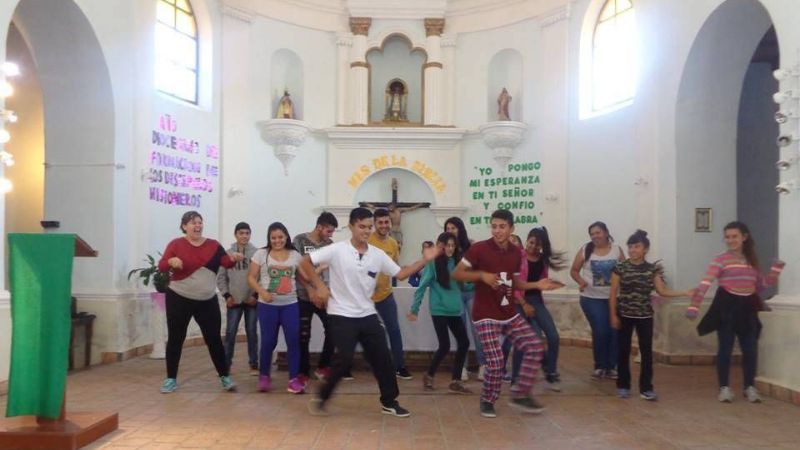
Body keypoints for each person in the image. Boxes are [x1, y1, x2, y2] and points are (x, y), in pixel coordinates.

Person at [301, 207, 439, 417]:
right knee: (345, 359)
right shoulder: (337, 249)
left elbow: (401, 274)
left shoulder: (378, 255)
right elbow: (305, 262)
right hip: (341, 314)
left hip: (367, 314)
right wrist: (318, 286)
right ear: (351, 227)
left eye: (369, 227)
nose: (366, 231)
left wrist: (424, 260)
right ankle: (323, 395)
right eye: (361, 227)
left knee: (382, 357)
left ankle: (389, 401)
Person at [453, 209, 561, 418]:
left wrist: (536, 284)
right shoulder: (479, 249)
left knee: (534, 347)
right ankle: (488, 400)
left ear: (511, 228)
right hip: (484, 314)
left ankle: (520, 394)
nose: (497, 230)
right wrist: (481, 275)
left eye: (502, 226)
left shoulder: (515, 253)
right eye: (494, 226)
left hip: (507, 311)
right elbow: (457, 273)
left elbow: (514, 282)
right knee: (495, 362)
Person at [686, 221, 784, 403]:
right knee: (725, 348)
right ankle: (724, 388)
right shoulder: (720, 259)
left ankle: (749, 387)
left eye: (734, 236)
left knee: (750, 349)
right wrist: (694, 306)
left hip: (747, 308)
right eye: (727, 237)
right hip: (727, 307)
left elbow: (760, 287)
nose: (730, 240)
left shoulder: (752, 261)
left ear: (744, 237)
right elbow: (705, 283)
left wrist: (775, 272)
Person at [157, 211, 243, 393]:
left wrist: (234, 257)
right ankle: (171, 379)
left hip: (206, 300)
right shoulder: (176, 244)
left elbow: (226, 263)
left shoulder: (213, 245)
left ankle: (224, 377)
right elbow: (162, 265)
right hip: (178, 297)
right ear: (184, 226)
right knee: (175, 338)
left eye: (200, 222)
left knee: (214, 340)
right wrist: (171, 261)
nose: (198, 225)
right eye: (193, 223)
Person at [609, 230, 692, 401]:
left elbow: (662, 291)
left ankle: (646, 388)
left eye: (636, 247)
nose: (632, 250)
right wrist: (613, 315)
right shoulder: (620, 268)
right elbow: (612, 293)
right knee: (623, 351)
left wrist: (684, 292)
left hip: (645, 316)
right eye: (630, 247)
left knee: (646, 352)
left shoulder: (652, 269)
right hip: (624, 314)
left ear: (645, 249)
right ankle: (623, 386)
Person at [248, 222, 314, 394]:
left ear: (286, 237)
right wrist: (262, 291)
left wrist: (313, 284)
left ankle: (293, 379)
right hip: (267, 306)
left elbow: (302, 277)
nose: (277, 241)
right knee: (269, 342)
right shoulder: (261, 254)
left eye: (280, 237)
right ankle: (264, 376)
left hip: (290, 305)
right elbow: (251, 278)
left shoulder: (294, 255)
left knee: (294, 341)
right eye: (273, 238)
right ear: (269, 238)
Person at [502, 227, 566, 391]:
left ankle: (551, 372)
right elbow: (513, 285)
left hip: (536, 301)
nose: (532, 247)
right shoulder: (517, 256)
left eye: (537, 245)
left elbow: (541, 282)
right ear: (527, 240)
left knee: (553, 336)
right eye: (531, 242)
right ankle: (516, 378)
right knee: (524, 340)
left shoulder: (542, 260)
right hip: (519, 302)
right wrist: (524, 304)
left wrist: (552, 285)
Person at [408, 232, 472, 394]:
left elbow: (466, 286)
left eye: (453, 245)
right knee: (445, 345)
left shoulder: (459, 263)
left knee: (464, 342)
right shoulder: (433, 264)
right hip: (439, 310)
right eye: (447, 246)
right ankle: (429, 375)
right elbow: (421, 287)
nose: (450, 249)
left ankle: (456, 381)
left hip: (454, 310)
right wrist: (414, 309)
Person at [570, 221, 625, 380]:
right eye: (592, 234)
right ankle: (600, 365)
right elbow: (574, 270)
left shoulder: (617, 250)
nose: (595, 236)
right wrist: (581, 282)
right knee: (601, 330)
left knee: (615, 331)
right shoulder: (585, 250)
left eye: (598, 232)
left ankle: (612, 366)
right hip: (591, 298)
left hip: (615, 298)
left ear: (606, 232)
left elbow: (625, 271)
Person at [294, 212, 338, 384]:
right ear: (319, 227)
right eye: (328, 231)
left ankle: (323, 367)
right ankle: (303, 371)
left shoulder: (330, 245)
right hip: (303, 296)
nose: (330, 235)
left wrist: (324, 292)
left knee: (333, 330)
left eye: (332, 232)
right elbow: (297, 270)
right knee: (303, 334)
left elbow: (330, 271)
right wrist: (310, 290)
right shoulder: (299, 241)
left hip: (323, 296)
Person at [368, 208, 413, 380]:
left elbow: (395, 268)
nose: (384, 225)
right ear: (374, 224)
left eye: (386, 222)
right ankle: (347, 367)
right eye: (380, 222)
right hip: (365, 297)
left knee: (394, 330)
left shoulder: (393, 243)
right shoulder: (367, 241)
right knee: (358, 331)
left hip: (386, 295)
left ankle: (399, 366)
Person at [444, 216, 485, 381]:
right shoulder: (445, 249)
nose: (450, 231)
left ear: (460, 228)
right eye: (447, 228)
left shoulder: (471, 246)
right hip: (455, 294)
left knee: (477, 330)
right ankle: (462, 366)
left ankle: (483, 365)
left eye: (453, 228)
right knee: (460, 331)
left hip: (472, 292)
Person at [217, 221, 259, 376]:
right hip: (234, 300)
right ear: (235, 234)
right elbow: (221, 278)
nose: (244, 236)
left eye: (247, 233)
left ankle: (254, 364)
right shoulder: (227, 254)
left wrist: (256, 295)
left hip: (252, 301)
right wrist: (227, 295)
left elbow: (262, 277)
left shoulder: (257, 253)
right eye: (241, 233)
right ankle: (225, 365)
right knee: (230, 333)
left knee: (252, 332)